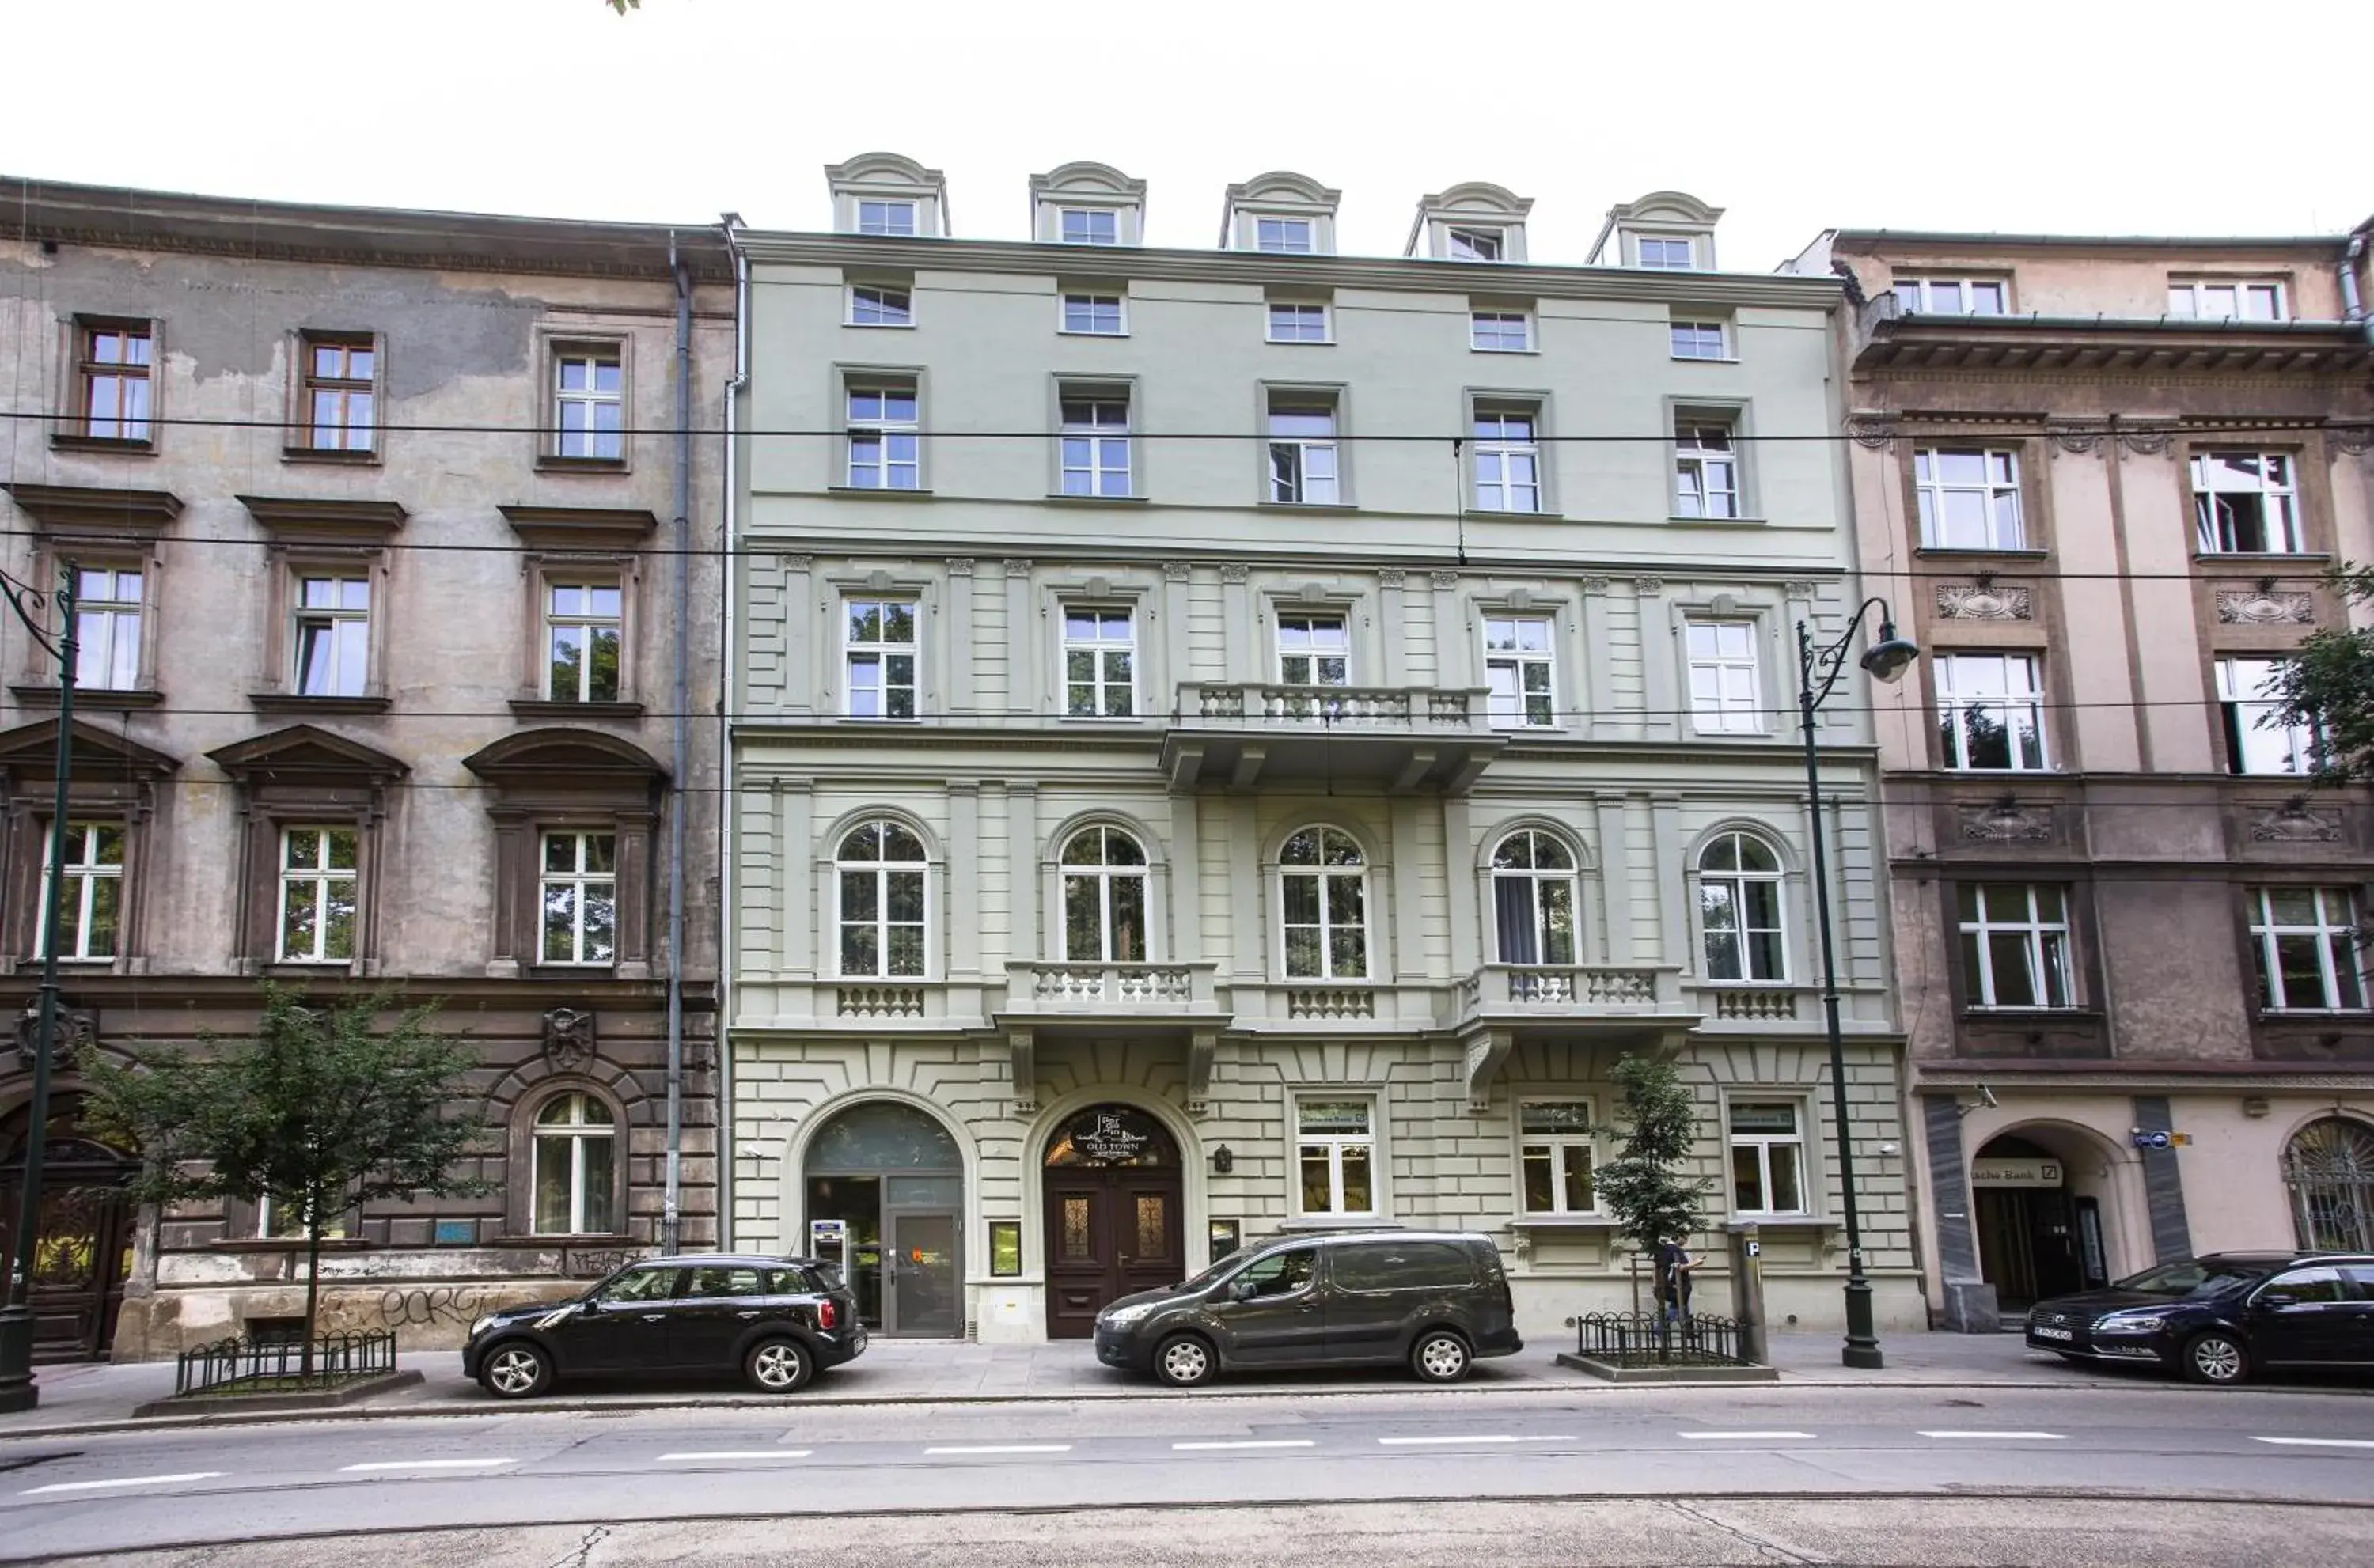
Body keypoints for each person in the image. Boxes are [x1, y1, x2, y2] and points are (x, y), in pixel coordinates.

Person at [1653, 1237, 1694, 1324]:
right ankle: (1661, 1329)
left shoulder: (1663, 1249)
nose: (1686, 1241)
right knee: (1677, 1306)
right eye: (1685, 1238)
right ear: (1679, 1237)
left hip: (1666, 1284)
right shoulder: (1676, 1250)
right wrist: (1697, 1262)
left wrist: (1656, 1285)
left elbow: (1657, 1268)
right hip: (1678, 1285)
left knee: (1683, 1306)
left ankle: (1688, 1331)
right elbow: (1681, 1267)